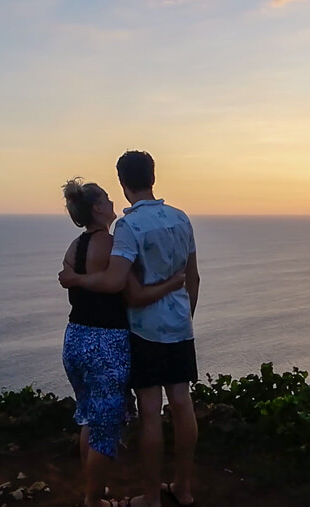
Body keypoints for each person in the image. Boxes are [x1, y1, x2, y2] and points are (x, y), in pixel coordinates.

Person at [60, 151, 200, 507]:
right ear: (153, 176)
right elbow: (193, 277)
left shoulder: (128, 227)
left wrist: (76, 278)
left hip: (143, 331)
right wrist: (186, 315)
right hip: (179, 327)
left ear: (123, 183)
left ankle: (150, 498)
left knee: (150, 409)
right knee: (182, 402)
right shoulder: (181, 218)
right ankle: (183, 488)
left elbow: (121, 284)